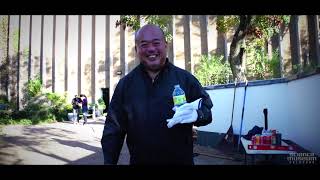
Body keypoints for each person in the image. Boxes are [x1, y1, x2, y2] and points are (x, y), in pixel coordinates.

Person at [101, 24, 213, 165]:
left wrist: (198, 114)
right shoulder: (126, 85)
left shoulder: (185, 79)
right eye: (144, 44)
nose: (151, 49)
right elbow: (113, 131)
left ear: (165, 45)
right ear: (137, 49)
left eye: (156, 43)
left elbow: (207, 112)